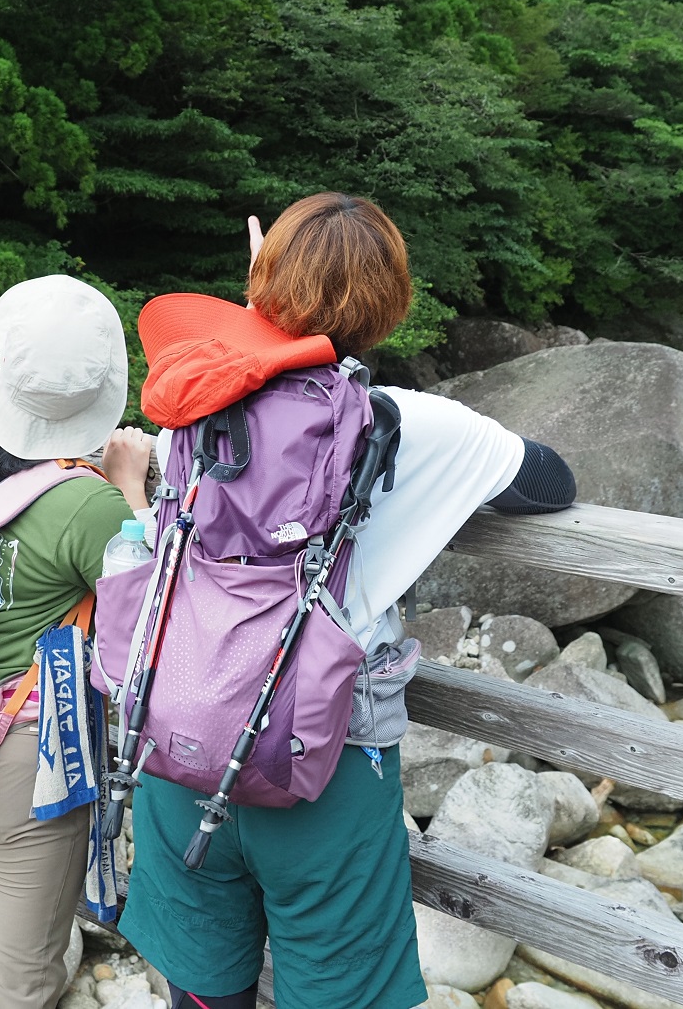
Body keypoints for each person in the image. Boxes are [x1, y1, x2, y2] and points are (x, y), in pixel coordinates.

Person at [118, 193, 578, 1009]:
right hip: (323, 761)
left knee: (202, 987)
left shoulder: (192, 400)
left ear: (262, 288)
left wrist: (258, 305)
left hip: (182, 735)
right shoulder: (408, 425)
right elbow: (548, 483)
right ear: (390, 305)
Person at [0, 275, 152, 1009]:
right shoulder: (89, 502)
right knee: (16, 977)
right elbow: (145, 627)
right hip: (29, 756)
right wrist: (134, 493)